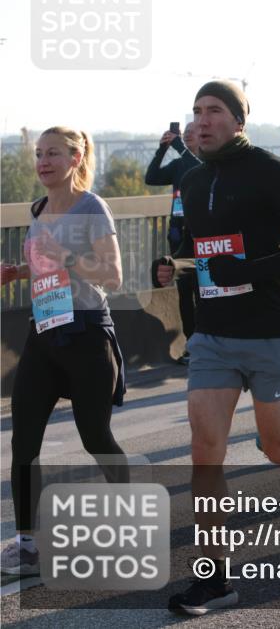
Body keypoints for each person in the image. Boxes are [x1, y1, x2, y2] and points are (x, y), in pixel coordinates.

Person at [151, 81, 280, 614]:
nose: (202, 120)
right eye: (196, 111)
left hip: (269, 331)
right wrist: (179, 265)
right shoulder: (192, 181)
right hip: (214, 335)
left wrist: (252, 270)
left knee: (277, 448)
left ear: (239, 121)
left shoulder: (268, 170)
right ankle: (215, 579)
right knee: (204, 452)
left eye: (214, 110)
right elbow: (204, 251)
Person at [0, 126, 129, 577]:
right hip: (44, 332)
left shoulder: (92, 207)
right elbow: (44, 268)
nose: (43, 162)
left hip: (87, 334)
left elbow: (112, 275)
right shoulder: (38, 209)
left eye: (53, 153)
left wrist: (68, 258)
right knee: (23, 442)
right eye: (38, 154)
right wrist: (16, 272)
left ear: (76, 159)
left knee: (96, 437)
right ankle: (27, 545)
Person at [145, 121, 201, 364]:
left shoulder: (208, 163)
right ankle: (192, 344)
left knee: (203, 291)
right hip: (179, 234)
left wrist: (178, 146)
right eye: (184, 132)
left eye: (192, 132)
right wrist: (162, 149)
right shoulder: (179, 164)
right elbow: (152, 177)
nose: (187, 134)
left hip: (201, 235)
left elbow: (198, 168)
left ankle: (206, 343)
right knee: (184, 292)